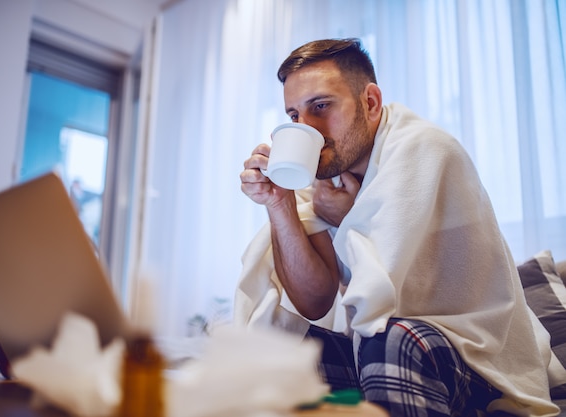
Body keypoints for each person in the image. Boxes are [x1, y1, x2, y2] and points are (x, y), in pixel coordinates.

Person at [236, 38, 558, 416]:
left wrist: (345, 219)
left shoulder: (424, 149)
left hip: (478, 360)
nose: (308, 128)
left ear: (370, 103)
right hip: (385, 350)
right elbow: (314, 299)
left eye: (321, 106)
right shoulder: (323, 180)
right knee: (282, 351)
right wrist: (281, 203)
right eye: (294, 116)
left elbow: (379, 294)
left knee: (392, 339)